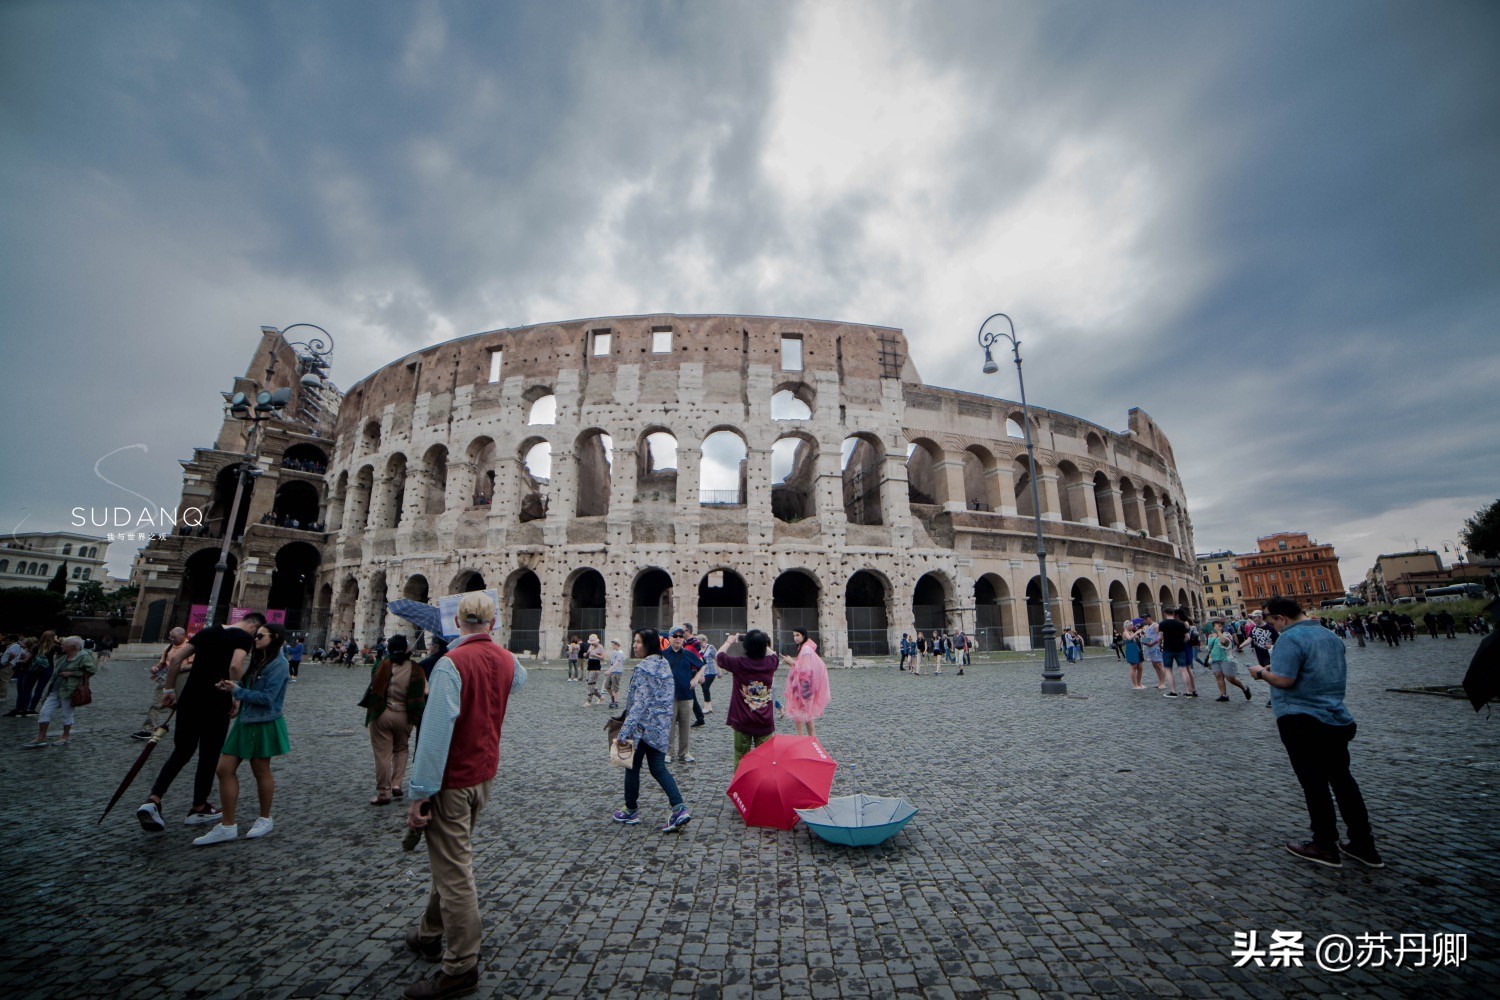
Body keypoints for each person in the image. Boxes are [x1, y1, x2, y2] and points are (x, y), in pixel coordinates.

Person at [401, 591, 517, 999]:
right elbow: (519, 680)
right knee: (451, 855)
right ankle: (430, 933)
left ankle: (461, 966)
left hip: (452, 781)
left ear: (456, 623)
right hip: (483, 777)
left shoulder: (450, 665)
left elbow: (434, 739)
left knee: (455, 875)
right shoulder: (506, 660)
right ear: (494, 623)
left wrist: (420, 794)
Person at [1249, 597, 1381, 869]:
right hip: (1335, 718)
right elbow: (1315, 670)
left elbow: (1285, 680)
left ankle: (1323, 844)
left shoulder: (1288, 639)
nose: (1272, 626)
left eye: (1271, 621)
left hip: (1301, 720)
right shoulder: (1329, 636)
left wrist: (1261, 673)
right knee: (1344, 782)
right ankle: (1363, 844)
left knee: (1314, 784)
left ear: (1281, 618)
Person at [136, 612, 263, 832]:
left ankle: (154, 799)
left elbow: (175, 659)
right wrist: (236, 694)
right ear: (253, 626)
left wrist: (169, 689)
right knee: (209, 755)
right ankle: (199, 807)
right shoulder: (243, 637)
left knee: (181, 751)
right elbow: (235, 666)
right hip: (216, 700)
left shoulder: (208, 631)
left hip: (189, 699)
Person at [192, 623, 292, 845]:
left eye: (259, 636)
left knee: (261, 771)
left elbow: (268, 698)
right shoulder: (259, 660)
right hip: (245, 721)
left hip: (263, 722)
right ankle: (227, 825)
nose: (255, 639)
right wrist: (231, 686)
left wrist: (237, 691)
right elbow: (247, 687)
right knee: (223, 769)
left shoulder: (279, 664)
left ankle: (265, 819)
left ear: (274, 637)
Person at [613, 628, 691, 833]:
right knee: (658, 768)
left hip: (640, 729)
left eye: (638, 642)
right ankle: (679, 808)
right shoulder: (664, 664)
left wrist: (624, 732)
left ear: (648, 644)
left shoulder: (644, 668)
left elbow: (640, 703)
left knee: (632, 768)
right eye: (634, 641)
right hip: (660, 729)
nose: (634, 645)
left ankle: (630, 810)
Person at [366, 634, 427, 805]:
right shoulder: (416, 669)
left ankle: (383, 793)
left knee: (382, 755)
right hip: (405, 715)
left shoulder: (382, 665)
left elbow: (373, 685)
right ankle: (397, 784)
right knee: (401, 749)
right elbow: (426, 691)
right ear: (407, 649)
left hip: (382, 713)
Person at [715, 630, 780, 767]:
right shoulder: (771, 663)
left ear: (746, 647)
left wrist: (730, 641)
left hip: (742, 718)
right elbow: (773, 653)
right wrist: (761, 641)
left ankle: (739, 787)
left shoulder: (739, 663)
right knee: (766, 759)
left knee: (740, 756)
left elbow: (719, 656)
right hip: (764, 720)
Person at [22, 635, 96, 748]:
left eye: (64, 644)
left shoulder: (84, 656)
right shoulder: (63, 656)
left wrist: (71, 674)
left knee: (67, 714)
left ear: (72, 647)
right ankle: (41, 737)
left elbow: (91, 671)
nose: (61, 645)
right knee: (44, 711)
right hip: (55, 689)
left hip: (70, 690)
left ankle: (65, 736)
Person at [134, 627, 189, 739]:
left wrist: (180, 667)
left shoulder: (190, 647)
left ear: (183, 636)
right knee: (156, 703)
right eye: (170, 637)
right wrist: (156, 668)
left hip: (183, 680)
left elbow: (197, 664)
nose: (172, 639)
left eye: (174, 637)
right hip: (167, 679)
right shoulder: (169, 647)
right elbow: (162, 663)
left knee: (184, 707)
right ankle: (148, 730)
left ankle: (188, 733)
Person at [661, 628, 703, 763]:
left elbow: (702, 665)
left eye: (681, 636)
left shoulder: (688, 654)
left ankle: (684, 752)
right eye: (675, 636)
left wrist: (696, 679)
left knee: (685, 726)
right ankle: (668, 752)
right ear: (670, 638)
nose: (678, 638)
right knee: (669, 726)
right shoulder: (663, 655)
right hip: (669, 696)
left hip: (686, 695)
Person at [782, 628, 830, 740]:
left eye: (797, 635)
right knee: (807, 713)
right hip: (804, 686)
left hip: (803, 687)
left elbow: (806, 669)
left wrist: (791, 662)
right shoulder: (804, 648)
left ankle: (801, 738)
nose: (795, 638)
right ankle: (812, 738)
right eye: (794, 635)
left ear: (803, 636)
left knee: (799, 712)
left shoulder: (806, 649)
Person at [1206, 621, 1252, 702]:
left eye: (1220, 626)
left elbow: (1224, 642)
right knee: (1218, 676)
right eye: (1217, 626)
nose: (1218, 628)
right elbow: (1209, 647)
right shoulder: (1210, 636)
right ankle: (1223, 695)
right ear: (1213, 627)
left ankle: (1244, 689)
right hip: (1215, 659)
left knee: (1230, 678)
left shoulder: (1227, 635)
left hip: (1226, 659)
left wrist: (1219, 632)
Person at [15, 631, 57, 715]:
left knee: (27, 689)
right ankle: (32, 709)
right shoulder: (54, 647)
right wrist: (57, 641)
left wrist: (19, 662)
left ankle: (24, 708)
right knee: (39, 690)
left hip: (34, 669)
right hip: (47, 669)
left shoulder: (36, 647)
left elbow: (26, 660)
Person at [1139, 614, 1166, 690]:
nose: (1144, 622)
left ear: (1149, 618)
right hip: (1150, 648)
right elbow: (1149, 637)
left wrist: (1153, 643)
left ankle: (1163, 683)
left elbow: (1160, 636)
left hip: (1156, 648)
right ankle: (1160, 682)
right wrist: (1144, 640)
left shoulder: (1156, 625)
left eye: (1145, 620)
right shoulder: (1146, 627)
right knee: (1155, 665)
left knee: (1159, 665)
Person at [696, 634, 719, 713]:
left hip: (711, 672)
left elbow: (717, 659)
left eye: (700, 642)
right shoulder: (698, 649)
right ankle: (708, 706)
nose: (699, 644)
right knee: (704, 689)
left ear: (705, 641)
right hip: (702, 673)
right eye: (698, 643)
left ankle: (708, 707)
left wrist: (719, 670)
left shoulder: (711, 648)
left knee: (705, 688)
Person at [583, 634, 604, 706]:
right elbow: (587, 656)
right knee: (589, 683)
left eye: (593, 642)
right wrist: (586, 654)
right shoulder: (591, 646)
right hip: (589, 666)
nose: (591, 643)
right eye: (591, 642)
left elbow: (603, 657)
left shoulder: (600, 647)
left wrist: (596, 655)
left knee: (591, 684)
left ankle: (589, 701)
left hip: (596, 666)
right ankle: (600, 697)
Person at [1122, 619, 1144, 689]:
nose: (1132, 626)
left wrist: (1139, 635)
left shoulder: (1131, 631)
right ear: (1126, 626)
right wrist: (1137, 632)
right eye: (1130, 625)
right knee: (1133, 667)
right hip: (1131, 649)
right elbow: (1129, 638)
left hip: (1136, 648)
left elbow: (1136, 639)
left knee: (1140, 667)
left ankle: (1139, 683)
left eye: (1132, 625)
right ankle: (1135, 685)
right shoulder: (1125, 632)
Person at [605, 639, 625, 709]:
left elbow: (617, 663)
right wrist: (609, 670)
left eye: (613, 645)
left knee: (615, 688)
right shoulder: (614, 652)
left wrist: (609, 670)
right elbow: (612, 663)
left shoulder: (620, 653)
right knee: (607, 686)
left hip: (617, 672)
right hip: (612, 672)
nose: (612, 646)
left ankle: (616, 702)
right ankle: (612, 698)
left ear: (617, 645)